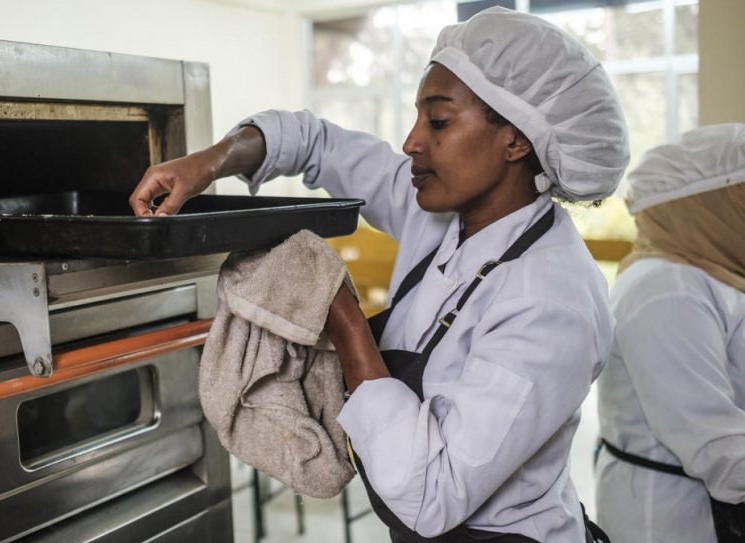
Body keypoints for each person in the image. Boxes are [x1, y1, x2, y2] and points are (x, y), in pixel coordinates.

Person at [130, 7, 628, 542]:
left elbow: (432, 495)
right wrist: (208, 162)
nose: (412, 141)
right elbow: (314, 142)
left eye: (438, 121)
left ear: (516, 140)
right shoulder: (440, 215)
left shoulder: (551, 300)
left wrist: (343, 317)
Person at [595, 124, 745, 543]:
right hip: (669, 520)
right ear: (705, 205)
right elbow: (713, 443)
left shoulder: (714, 275)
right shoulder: (666, 288)